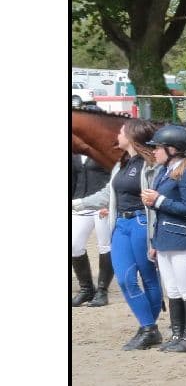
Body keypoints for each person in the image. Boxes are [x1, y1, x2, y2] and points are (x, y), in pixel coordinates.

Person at [142, 123, 186, 353]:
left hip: (185, 240)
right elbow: (160, 214)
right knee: (172, 291)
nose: (154, 151)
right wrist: (156, 242)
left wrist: (158, 200)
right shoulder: (164, 171)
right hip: (166, 240)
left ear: (172, 149)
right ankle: (177, 334)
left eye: (158, 147)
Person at [106, 124, 167, 350]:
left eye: (121, 132)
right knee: (124, 279)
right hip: (121, 225)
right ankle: (149, 327)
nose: (118, 135)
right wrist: (81, 203)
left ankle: (148, 329)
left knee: (149, 277)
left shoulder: (151, 165)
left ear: (132, 137)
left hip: (141, 222)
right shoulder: (121, 164)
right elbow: (109, 193)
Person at [71, 146, 114, 308]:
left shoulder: (101, 149)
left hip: (102, 204)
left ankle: (102, 291)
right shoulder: (74, 153)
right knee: (74, 245)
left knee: (105, 245)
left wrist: (110, 203)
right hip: (80, 202)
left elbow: (115, 178)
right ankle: (86, 289)